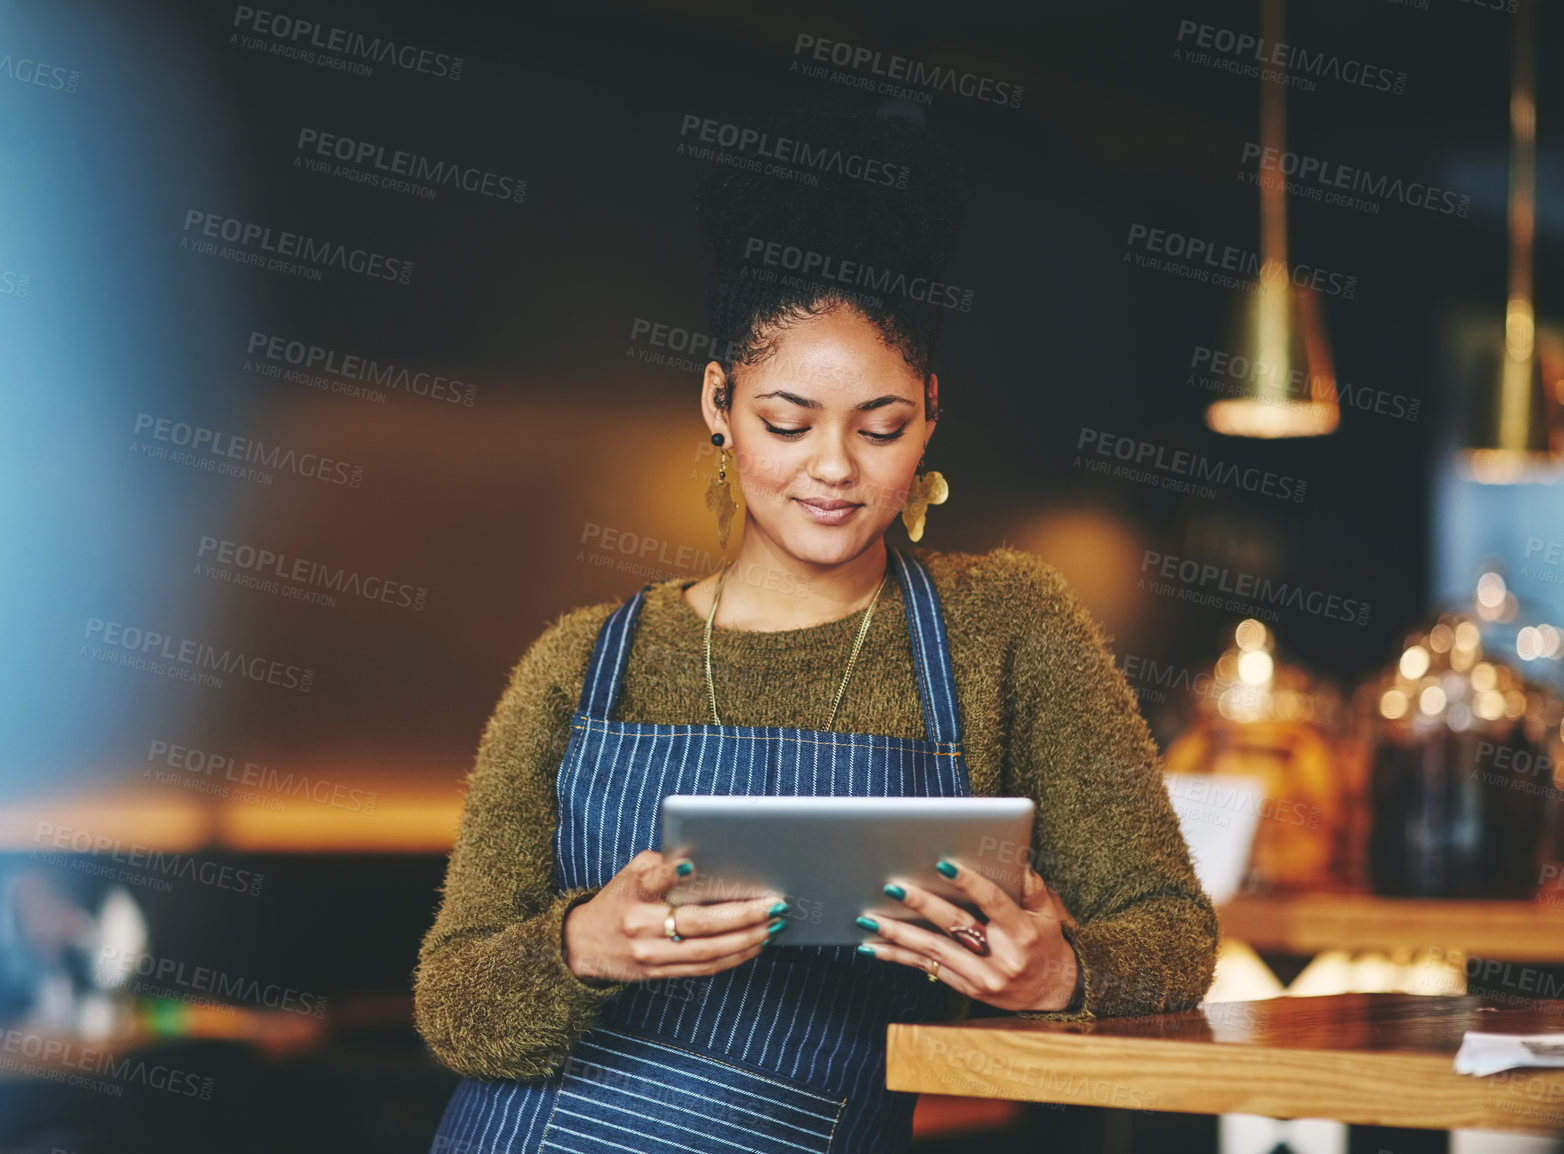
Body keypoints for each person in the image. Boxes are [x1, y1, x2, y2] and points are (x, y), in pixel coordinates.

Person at [413, 105, 1217, 1153]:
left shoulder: (1006, 625)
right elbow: (452, 999)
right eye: (786, 422)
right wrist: (579, 942)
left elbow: (1171, 929)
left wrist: (1059, 971)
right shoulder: (580, 664)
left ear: (929, 411)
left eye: (878, 425)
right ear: (718, 402)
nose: (832, 467)